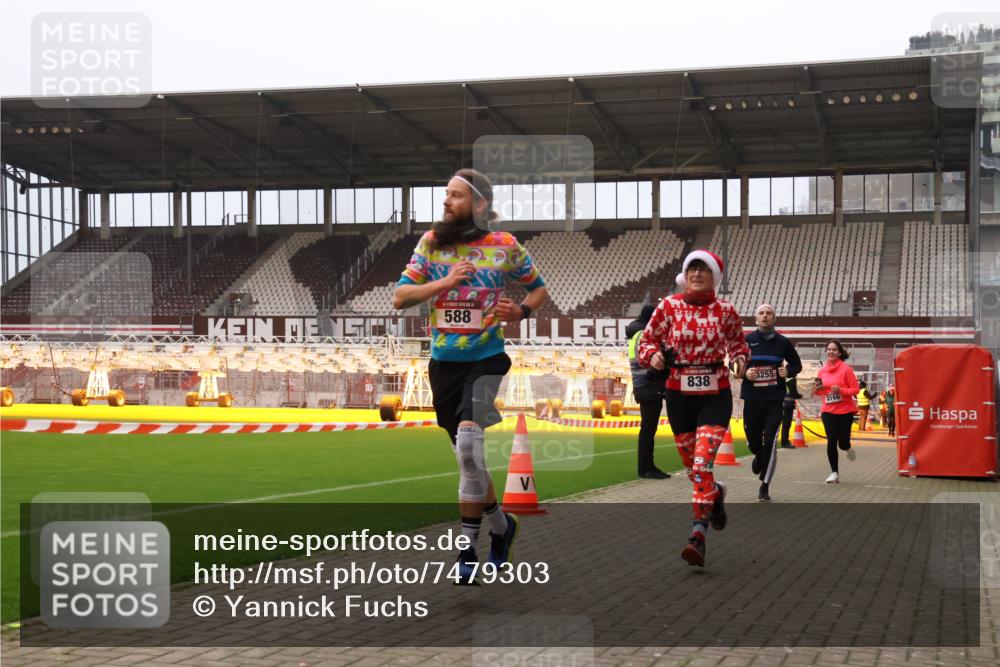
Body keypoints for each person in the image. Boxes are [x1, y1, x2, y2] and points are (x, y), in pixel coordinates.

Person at [392, 168, 549, 584]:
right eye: (446, 194)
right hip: (444, 364)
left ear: (479, 204)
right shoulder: (431, 243)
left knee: (467, 444)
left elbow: (538, 289)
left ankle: (466, 551)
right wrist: (444, 282)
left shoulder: (504, 245)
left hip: (486, 358)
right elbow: (400, 297)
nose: (446, 201)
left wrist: (521, 311)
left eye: (456, 195)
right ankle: (502, 527)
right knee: (470, 457)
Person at [637, 249, 749, 567]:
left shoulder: (726, 311)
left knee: (701, 465)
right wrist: (653, 356)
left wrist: (740, 360)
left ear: (715, 276)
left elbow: (739, 345)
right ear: (685, 275)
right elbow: (647, 342)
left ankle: (697, 536)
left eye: (703, 269)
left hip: (715, 395)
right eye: (692, 269)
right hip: (678, 396)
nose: (697, 274)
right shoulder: (668, 306)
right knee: (693, 470)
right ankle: (716, 493)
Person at [740, 303, 802, 502]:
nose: (765, 316)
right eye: (761, 313)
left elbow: (797, 364)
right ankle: (758, 455)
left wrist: (788, 371)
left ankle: (764, 485)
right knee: (753, 442)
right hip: (752, 398)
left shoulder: (783, 342)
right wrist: (744, 373)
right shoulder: (746, 340)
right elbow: (734, 364)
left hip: (775, 399)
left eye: (769, 313)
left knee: (771, 443)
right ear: (756, 318)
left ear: (774, 318)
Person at [626, 304, 671, 479]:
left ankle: (647, 466)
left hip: (642, 385)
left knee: (648, 428)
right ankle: (646, 468)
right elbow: (650, 362)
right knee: (648, 429)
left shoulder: (636, 334)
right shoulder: (644, 335)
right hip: (649, 385)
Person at [812, 339, 860, 484]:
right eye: (829, 349)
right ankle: (834, 473)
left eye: (834, 349)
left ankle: (848, 448)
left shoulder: (846, 369)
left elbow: (855, 389)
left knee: (842, 443)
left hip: (845, 411)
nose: (831, 352)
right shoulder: (822, 371)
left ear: (839, 353)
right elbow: (819, 392)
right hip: (828, 411)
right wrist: (817, 389)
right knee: (831, 439)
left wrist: (841, 390)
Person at [779, 377, 801, 448]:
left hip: (782, 404)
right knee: (786, 424)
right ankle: (784, 442)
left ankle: (782, 441)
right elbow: (794, 393)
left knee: (782, 424)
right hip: (787, 405)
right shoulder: (791, 379)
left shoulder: (783, 379)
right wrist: (800, 396)